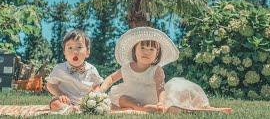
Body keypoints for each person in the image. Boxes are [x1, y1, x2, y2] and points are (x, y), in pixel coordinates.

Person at [99, 27, 232, 114]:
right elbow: (111, 78)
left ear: (157, 54)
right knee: (122, 99)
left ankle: (208, 109)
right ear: (135, 50)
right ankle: (139, 108)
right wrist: (102, 89)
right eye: (143, 48)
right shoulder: (127, 67)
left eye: (152, 49)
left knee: (173, 106)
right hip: (131, 97)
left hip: (151, 97)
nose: (147, 52)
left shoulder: (156, 70)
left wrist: (161, 102)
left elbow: (160, 88)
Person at [46, 29, 103, 112]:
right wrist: (60, 94)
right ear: (64, 53)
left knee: (100, 105)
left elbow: (96, 86)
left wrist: (94, 96)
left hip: (85, 102)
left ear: (87, 52)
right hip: (66, 100)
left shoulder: (91, 69)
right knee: (55, 103)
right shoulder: (60, 69)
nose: (75, 51)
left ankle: (82, 108)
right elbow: (50, 85)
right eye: (70, 48)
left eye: (79, 47)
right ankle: (69, 109)